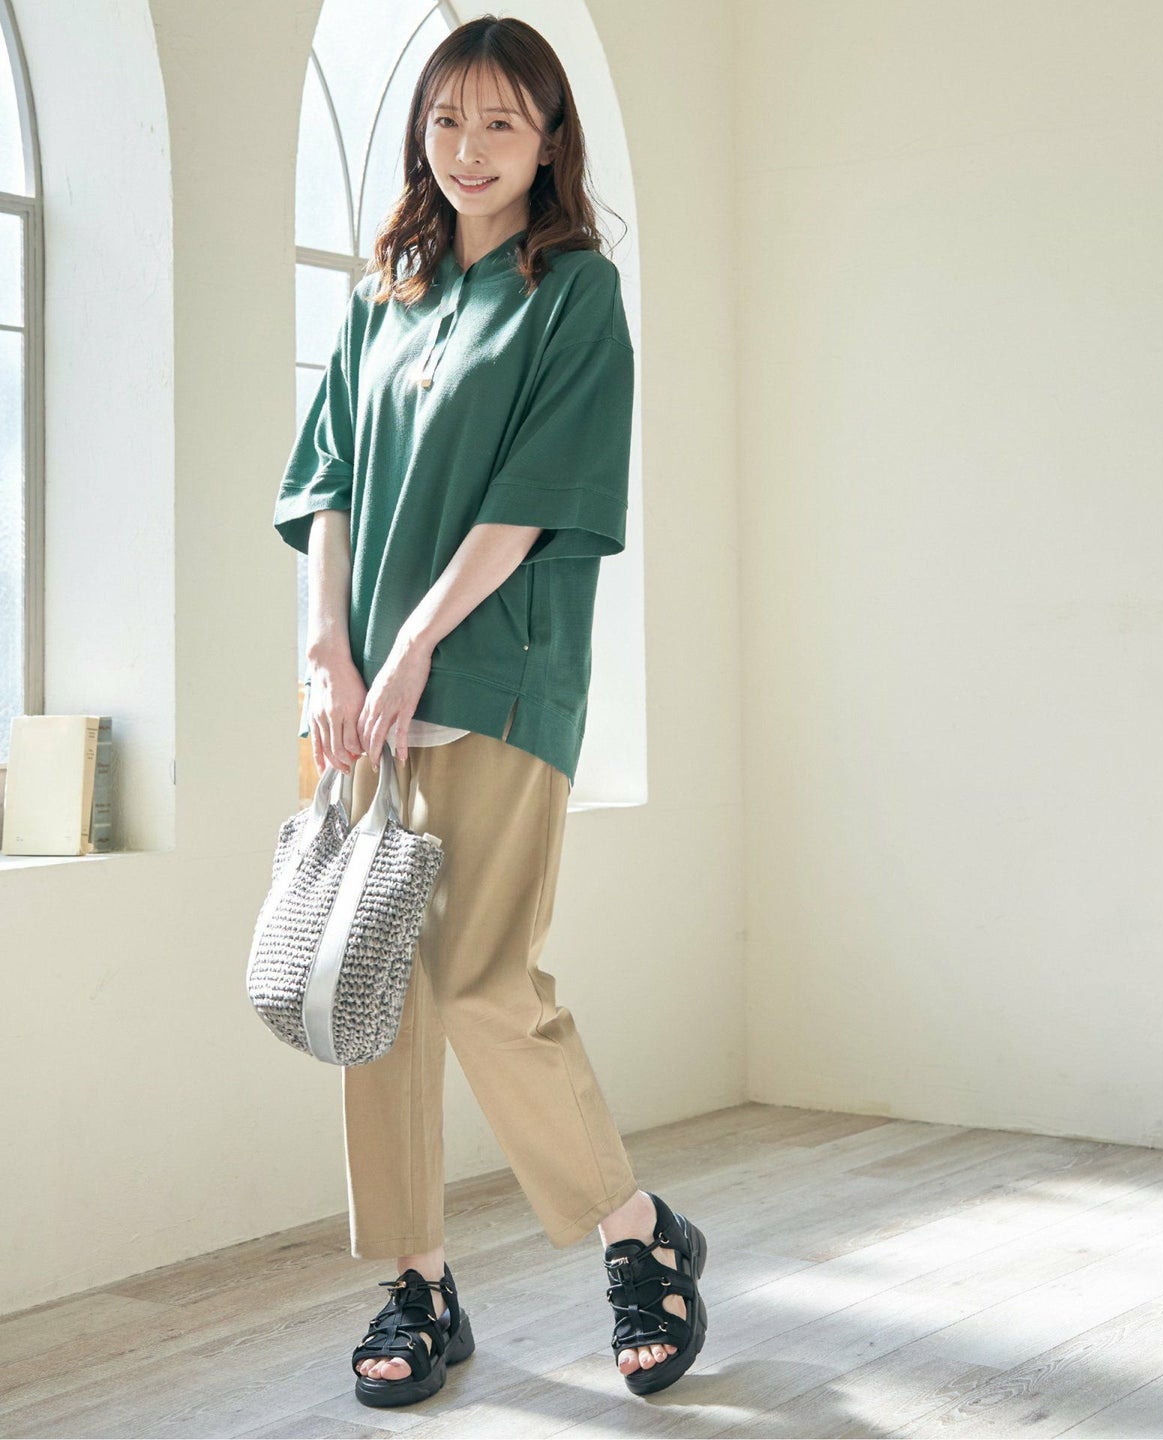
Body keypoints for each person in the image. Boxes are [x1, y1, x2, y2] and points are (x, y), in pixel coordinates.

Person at [274, 13, 709, 1410]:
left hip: (500, 675)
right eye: (448, 119)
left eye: (502, 123)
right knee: (373, 990)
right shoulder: (385, 294)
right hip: (364, 698)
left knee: (478, 983)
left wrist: (412, 647)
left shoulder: (574, 294)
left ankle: (638, 1235)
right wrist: (328, 649)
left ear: (549, 138)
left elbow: (534, 501)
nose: (469, 148)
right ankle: (417, 1283)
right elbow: (328, 482)